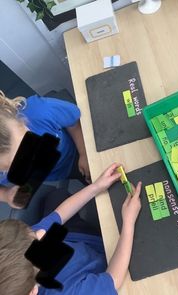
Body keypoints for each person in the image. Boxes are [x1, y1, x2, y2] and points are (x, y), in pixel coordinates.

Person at [0, 163, 142, 295]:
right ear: (33, 291)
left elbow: (59, 215)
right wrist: (128, 222)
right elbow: (113, 278)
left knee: (56, 197)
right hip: (106, 262)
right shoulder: (70, 291)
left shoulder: (23, 247)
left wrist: (96, 187)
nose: (41, 232)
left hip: (80, 245)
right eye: (37, 239)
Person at [0, 90, 90, 208]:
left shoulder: (40, 111)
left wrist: (83, 152)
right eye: (16, 167)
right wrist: (6, 195)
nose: (32, 160)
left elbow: (73, 122)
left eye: (29, 143)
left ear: (21, 121)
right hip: (61, 173)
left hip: (77, 150)